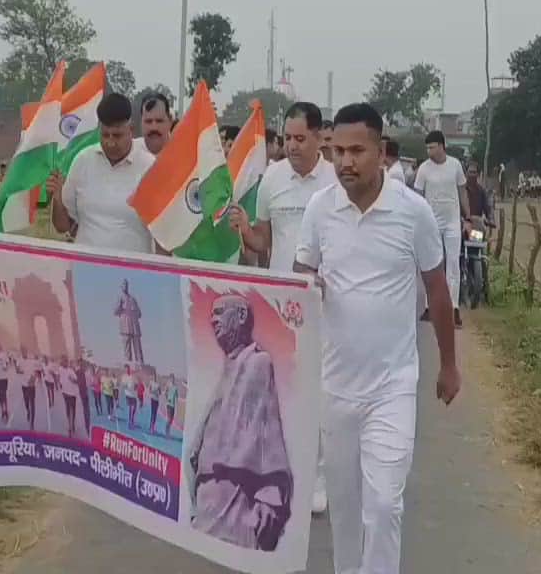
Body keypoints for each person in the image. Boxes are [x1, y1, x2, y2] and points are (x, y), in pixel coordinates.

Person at [294, 102, 461, 574]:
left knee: (385, 505)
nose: (345, 161)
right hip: (336, 386)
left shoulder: (414, 213)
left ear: (380, 151)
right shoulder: (320, 210)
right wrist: (309, 286)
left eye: (356, 151)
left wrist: (449, 365)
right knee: (345, 512)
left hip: (392, 386)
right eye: (338, 151)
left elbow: (437, 290)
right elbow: (300, 276)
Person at [228, 101, 336, 513]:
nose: (291, 145)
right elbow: (263, 242)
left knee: (320, 390)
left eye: (299, 138)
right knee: (278, 389)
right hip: (279, 302)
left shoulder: (334, 180)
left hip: (323, 303)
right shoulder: (272, 180)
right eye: (287, 138)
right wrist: (244, 230)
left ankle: (319, 476)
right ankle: (277, 472)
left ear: (317, 137)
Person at [188, 294, 291, 551]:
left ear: (242, 316)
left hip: (235, 496)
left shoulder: (257, 363)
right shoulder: (228, 366)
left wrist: (268, 498)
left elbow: (268, 439)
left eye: (220, 312)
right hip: (207, 497)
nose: (213, 320)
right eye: (212, 314)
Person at [48, 92, 155, 253]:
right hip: (85, 268)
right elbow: (62, 226)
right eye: (105, 135)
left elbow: (164, 234)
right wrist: (58, 199)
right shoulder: (83, 161)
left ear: (131, 130)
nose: (110, 143)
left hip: (132, 274)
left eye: (117, 136)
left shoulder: (150, 168)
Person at [414, 130, 472, 327]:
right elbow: (418, 196)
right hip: (431, 223)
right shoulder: (424, 169)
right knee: (434, 264)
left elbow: (462, 191)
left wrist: (468, 217)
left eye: (432, 147)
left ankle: (454, 307)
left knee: (453, 263)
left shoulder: (455, 165)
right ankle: (431, 306)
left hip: (452, 222)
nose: (429, 151)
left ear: (442, 146)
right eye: (427, 148)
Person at [114, 279, 145, 363]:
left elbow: (139, 313)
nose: (125, 286)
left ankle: (140, 362)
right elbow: (115, 311)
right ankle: (129, 363)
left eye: (126, 284)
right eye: (123, 284)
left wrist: (133, 313)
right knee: (127, 348)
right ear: (121, 287)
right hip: (125, 325)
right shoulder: (120, 298)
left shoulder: (133, 299)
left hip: (134, 326)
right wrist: (120, 308)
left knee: (137, 347)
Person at [135, 91, 173, 157]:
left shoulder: (184, 151)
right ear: (141, 123)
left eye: (159, 121)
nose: (154, 127)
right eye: (148, 121)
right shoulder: (129, 152)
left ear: (170, 121)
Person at [15, 346, 39, 430]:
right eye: (22, 351)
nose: (24, 352)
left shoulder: (32, 360)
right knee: (26, 402)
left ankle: (32, 423)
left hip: (31, 385)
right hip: (24, 384)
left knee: (32, 403)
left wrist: (32, 379)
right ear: (21, 352)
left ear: (27, 351)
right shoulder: (19, 360)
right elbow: (17, 370)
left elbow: (36, 372)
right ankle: (28, 411)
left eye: (25, 351)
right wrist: (20, 370)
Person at [60, 356, 81, 438]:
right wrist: (61, 386)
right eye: (63, 361)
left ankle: (73, 424)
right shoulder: (61, 370)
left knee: (73, 410)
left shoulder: (71, 371)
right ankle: (70, 426)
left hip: (72, 394)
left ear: (67, 362)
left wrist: (72, 380)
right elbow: (60, 379)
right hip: (65, 393)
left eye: (65, 361)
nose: (64, 363)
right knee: (68, 410)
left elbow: (77, 381)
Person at [120, 365, 139, 429]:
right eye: (125, 369)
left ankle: (132, 420)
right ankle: (129, 423)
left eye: (128, 369)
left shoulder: (133, 376)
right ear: (124, 370)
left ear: (129, 369)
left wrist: (135, 388)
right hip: (128, 394)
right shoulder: (124, 377)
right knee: (129, 408)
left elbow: (137, 384)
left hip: (133, 394)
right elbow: (122, 385)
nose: (127, 370)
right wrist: (126, 386)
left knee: (134, 408)